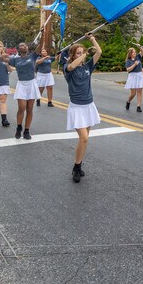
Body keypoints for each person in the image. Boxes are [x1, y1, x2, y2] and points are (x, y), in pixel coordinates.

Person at [62, 33, 102, 183]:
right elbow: (72, 65)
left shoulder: (87, 67)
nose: (81, 55)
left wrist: (92, 39)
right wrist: (84, 54)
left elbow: (99, 52)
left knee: (84, 140)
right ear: (72, 55)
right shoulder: (68, 68)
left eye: (82, 52)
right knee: (83, 138)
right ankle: (77, 168)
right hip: (76, 107)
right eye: (77, 53)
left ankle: (77, 165)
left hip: (88, 105)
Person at [7, 42, 49, 140]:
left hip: (31, 83)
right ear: (18, 48)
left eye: (25, 45)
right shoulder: (15, 59)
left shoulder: (33, 56)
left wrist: (43, 30)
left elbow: (41, 45)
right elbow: (3, 59)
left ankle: (26, 130)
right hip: (21, 84)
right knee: (21, 108)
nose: (24, 46)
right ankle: (18, 127)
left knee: (29, 109)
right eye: (21, 45)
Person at [124, 45, 143, 112]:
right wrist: (134, 65)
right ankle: (128, 101)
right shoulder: (128, 61)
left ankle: (138, 106)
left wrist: (139, 47)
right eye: (133, 52)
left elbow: (142, 51)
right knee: (133, 93)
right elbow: (128, 70)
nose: (135, 53)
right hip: (132, 76)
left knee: (139, 91)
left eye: (135, 52)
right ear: (130, 53)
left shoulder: (138, 57)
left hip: (139, 75)